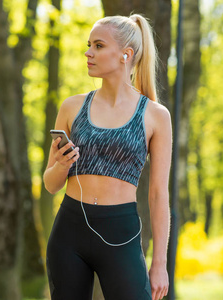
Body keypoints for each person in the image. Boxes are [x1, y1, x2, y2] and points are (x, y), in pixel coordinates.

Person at [43, 14, 172, 300]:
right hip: (69, 233)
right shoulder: (72, 107)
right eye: (89, 45)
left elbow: (158, 194)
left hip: (121, 234)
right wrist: (62, 165)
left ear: (125, 55)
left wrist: (160, 264)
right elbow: (50, 185)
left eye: (98, 46)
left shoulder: (155, 115)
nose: (88, 53)